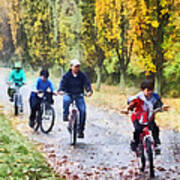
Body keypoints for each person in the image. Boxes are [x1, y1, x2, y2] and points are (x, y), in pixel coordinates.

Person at [122, 79, 169, 153]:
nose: (150, 92)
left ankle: (157, 144)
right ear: (142, 90)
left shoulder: (155, 97)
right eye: (148, 90)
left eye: (151, 90)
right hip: (138, 117)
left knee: (155, 129)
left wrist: (163, 106)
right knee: (138, 129)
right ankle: (135, 142)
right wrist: (127, 109)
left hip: (149, 117)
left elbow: (160, 103)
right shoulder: (138, 97)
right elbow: (131, 103)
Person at [58, 59, 93, 138]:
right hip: (69, 93)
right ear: (71, 67)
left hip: (79, 95)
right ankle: (65, 114)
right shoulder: (66, 75)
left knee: (83, 111)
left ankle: (80, 130)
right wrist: (61, 90)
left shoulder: (82, 75)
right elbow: (62, 84)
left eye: (78, 66)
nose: (77, 68)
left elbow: (87, 83)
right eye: (76, 66)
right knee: (66, 100)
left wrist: (89, 91)